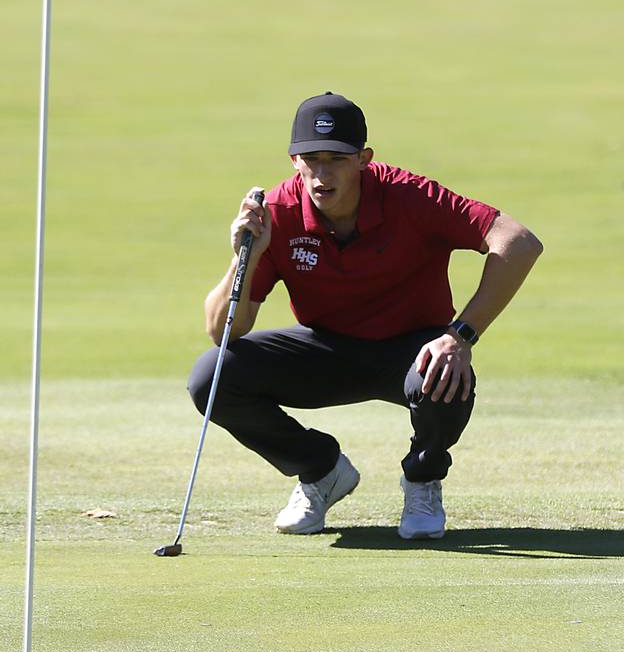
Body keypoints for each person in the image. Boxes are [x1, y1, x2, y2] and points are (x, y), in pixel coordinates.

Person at [188, 92, 543, 539]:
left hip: (413, 349)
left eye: (335, 159)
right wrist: (246, 258)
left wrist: (461, 335)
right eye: (309, 158)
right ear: (294, 160)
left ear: (363, 160)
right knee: (212, 375)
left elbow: (519, 242)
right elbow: (223, 333)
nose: (321, 173)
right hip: (326, 349)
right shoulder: (276, 213)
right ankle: (320, 471)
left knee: (445, 369)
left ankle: (423, 478)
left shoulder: (411, 196)